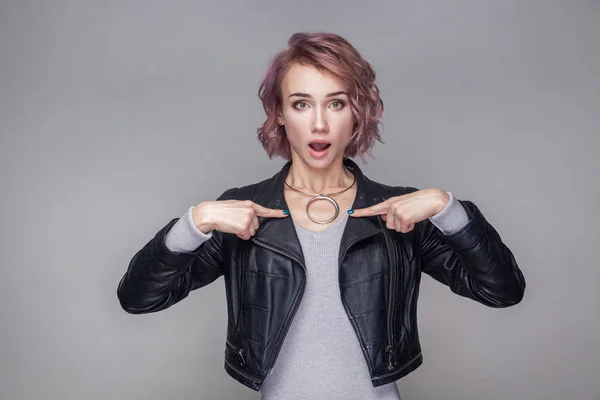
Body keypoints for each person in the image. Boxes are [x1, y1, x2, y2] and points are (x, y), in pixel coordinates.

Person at [117, 32, 526, 400]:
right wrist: (196, 221)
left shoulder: (399, 214)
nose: (318, 123)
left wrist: (446, 207)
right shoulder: (243, 214)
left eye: (335, 103)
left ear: (357, 112)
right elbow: (137, 299)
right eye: (300, 103)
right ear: (279, 113)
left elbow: (503, 291)